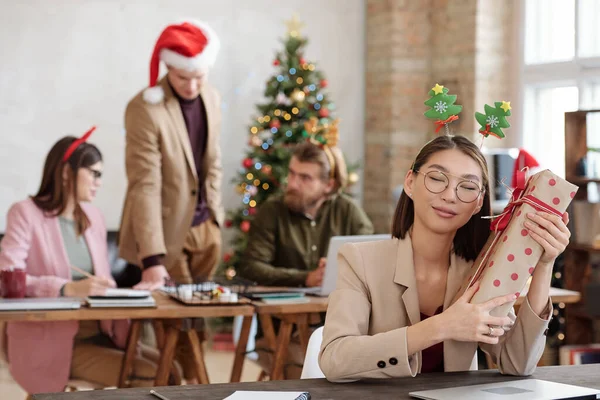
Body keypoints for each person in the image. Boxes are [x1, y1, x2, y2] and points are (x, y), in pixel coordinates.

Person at [319, 135, 570, 381]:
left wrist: (544, 263)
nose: (450, 195)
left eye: (468, 187)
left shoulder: (482, 271)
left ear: (478, 203)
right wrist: (442, 326)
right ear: (409, 183)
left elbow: (517, 363)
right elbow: (334, 359)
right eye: (437, 179)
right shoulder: (360, 260)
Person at [0, 130, 163, 395]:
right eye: (94, 173)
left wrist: (106, 286)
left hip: (102, 333)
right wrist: (66, 288)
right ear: (66, 172)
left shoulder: (93, 216)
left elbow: (100, 280)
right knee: (154, 375)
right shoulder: (24, 214)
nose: (99, 182)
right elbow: (7, 278)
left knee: (174, 369)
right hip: (51, 344)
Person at [117, 20, 223, 383]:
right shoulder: (145, 109)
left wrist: (216, 219)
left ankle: (187, 383)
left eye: (199, 76)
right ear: (166, 67)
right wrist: (151, 259)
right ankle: (195, 387)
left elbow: (214, 162)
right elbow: (144, 185)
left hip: (206, 228)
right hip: (165, 235)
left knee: (196, 319)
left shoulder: (211, 96)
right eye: (182, 78)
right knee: (180, 324)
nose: (192, 86)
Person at [238, 125, 374, 379]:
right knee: (307, 372)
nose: (293, 183)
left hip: (341, 330)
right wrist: (305, 278)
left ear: (328, 184)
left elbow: (374, 259)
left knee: (363, 370)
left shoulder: (348, 211)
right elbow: (252, 266)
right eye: (292, 174)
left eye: (305, 178)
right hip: (280, 334)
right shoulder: (272, 211)